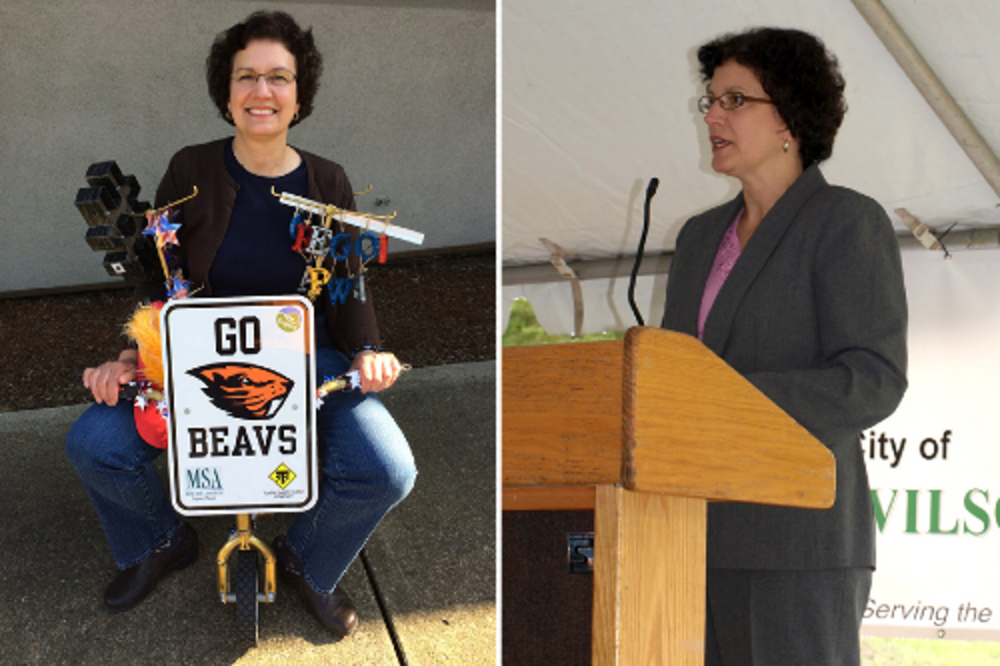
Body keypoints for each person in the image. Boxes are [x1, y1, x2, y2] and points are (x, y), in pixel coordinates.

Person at [65, 10, 417, 638]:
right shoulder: (190, 170)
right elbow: (157, 272)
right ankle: (159, 542)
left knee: (385, 469)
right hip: (196, 357)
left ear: (298, 95)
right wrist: (131, 354)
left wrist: (367, 350)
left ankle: (308, 561)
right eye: (246, 77)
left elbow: (348, 281)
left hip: (307, 357)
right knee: (96, 445)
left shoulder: (327, 180)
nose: (262, 92)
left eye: (278, 78)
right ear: (226, 95)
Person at [660, 28, 907, 665]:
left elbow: (872, 378)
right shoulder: (697, 238)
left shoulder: (845, 222)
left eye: (735, 100)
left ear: (790, 120)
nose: (713, 115)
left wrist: (723, 399)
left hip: (798, 543)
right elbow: (673, 373)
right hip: (688, 538)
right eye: (710, 101)